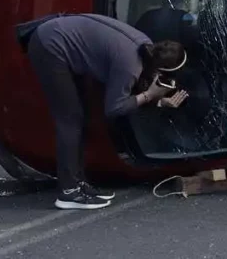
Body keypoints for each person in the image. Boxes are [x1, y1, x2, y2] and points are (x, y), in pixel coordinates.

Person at [16, 13, 189, 210]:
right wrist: (150, 96)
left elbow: (133, 89)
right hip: (50, 46)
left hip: (59, 37)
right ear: (160, 71)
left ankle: (78, 184)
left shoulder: (146, 46)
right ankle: (69, 192)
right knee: (70, 121)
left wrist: (160, 101)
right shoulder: (130, 65)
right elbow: (114, 108)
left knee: (79, 118)